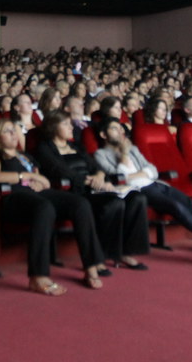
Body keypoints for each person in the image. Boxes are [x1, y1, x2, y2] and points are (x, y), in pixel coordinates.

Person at [94, 118, 192, 267]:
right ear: (103, 134)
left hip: (156, 184)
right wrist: (125, 155)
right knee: (176, 206)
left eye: (121, 128)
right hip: (138, 191)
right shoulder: (101, 154)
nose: (120, 132)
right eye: (114, 129)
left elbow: (152, 170)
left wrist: (140, 170)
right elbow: (120, 177)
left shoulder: (133, 149)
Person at [0, 118, 106, 295]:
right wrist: (25, 176)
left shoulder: (25, 156)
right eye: (7, 131)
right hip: (12, 196)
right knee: (44, 207)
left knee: (80, 203)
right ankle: (38, 276)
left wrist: (40, 183)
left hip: (37, 193)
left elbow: (43, 180)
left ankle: (91, 265)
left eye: (13, 130)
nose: (13, 134)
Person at [33, 111, 149, 271]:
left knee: (137, 198)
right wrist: (90, 181)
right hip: (75, 190)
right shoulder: (45, 148)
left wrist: (101, 177)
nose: (71, 127)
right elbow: (61, 171)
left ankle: (126, 251)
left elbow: (95, 167)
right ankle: (101, 255)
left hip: (95, 186)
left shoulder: (76, 146)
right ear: (53, 127)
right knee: (113, 203)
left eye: (70, 123)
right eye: (65, 124)